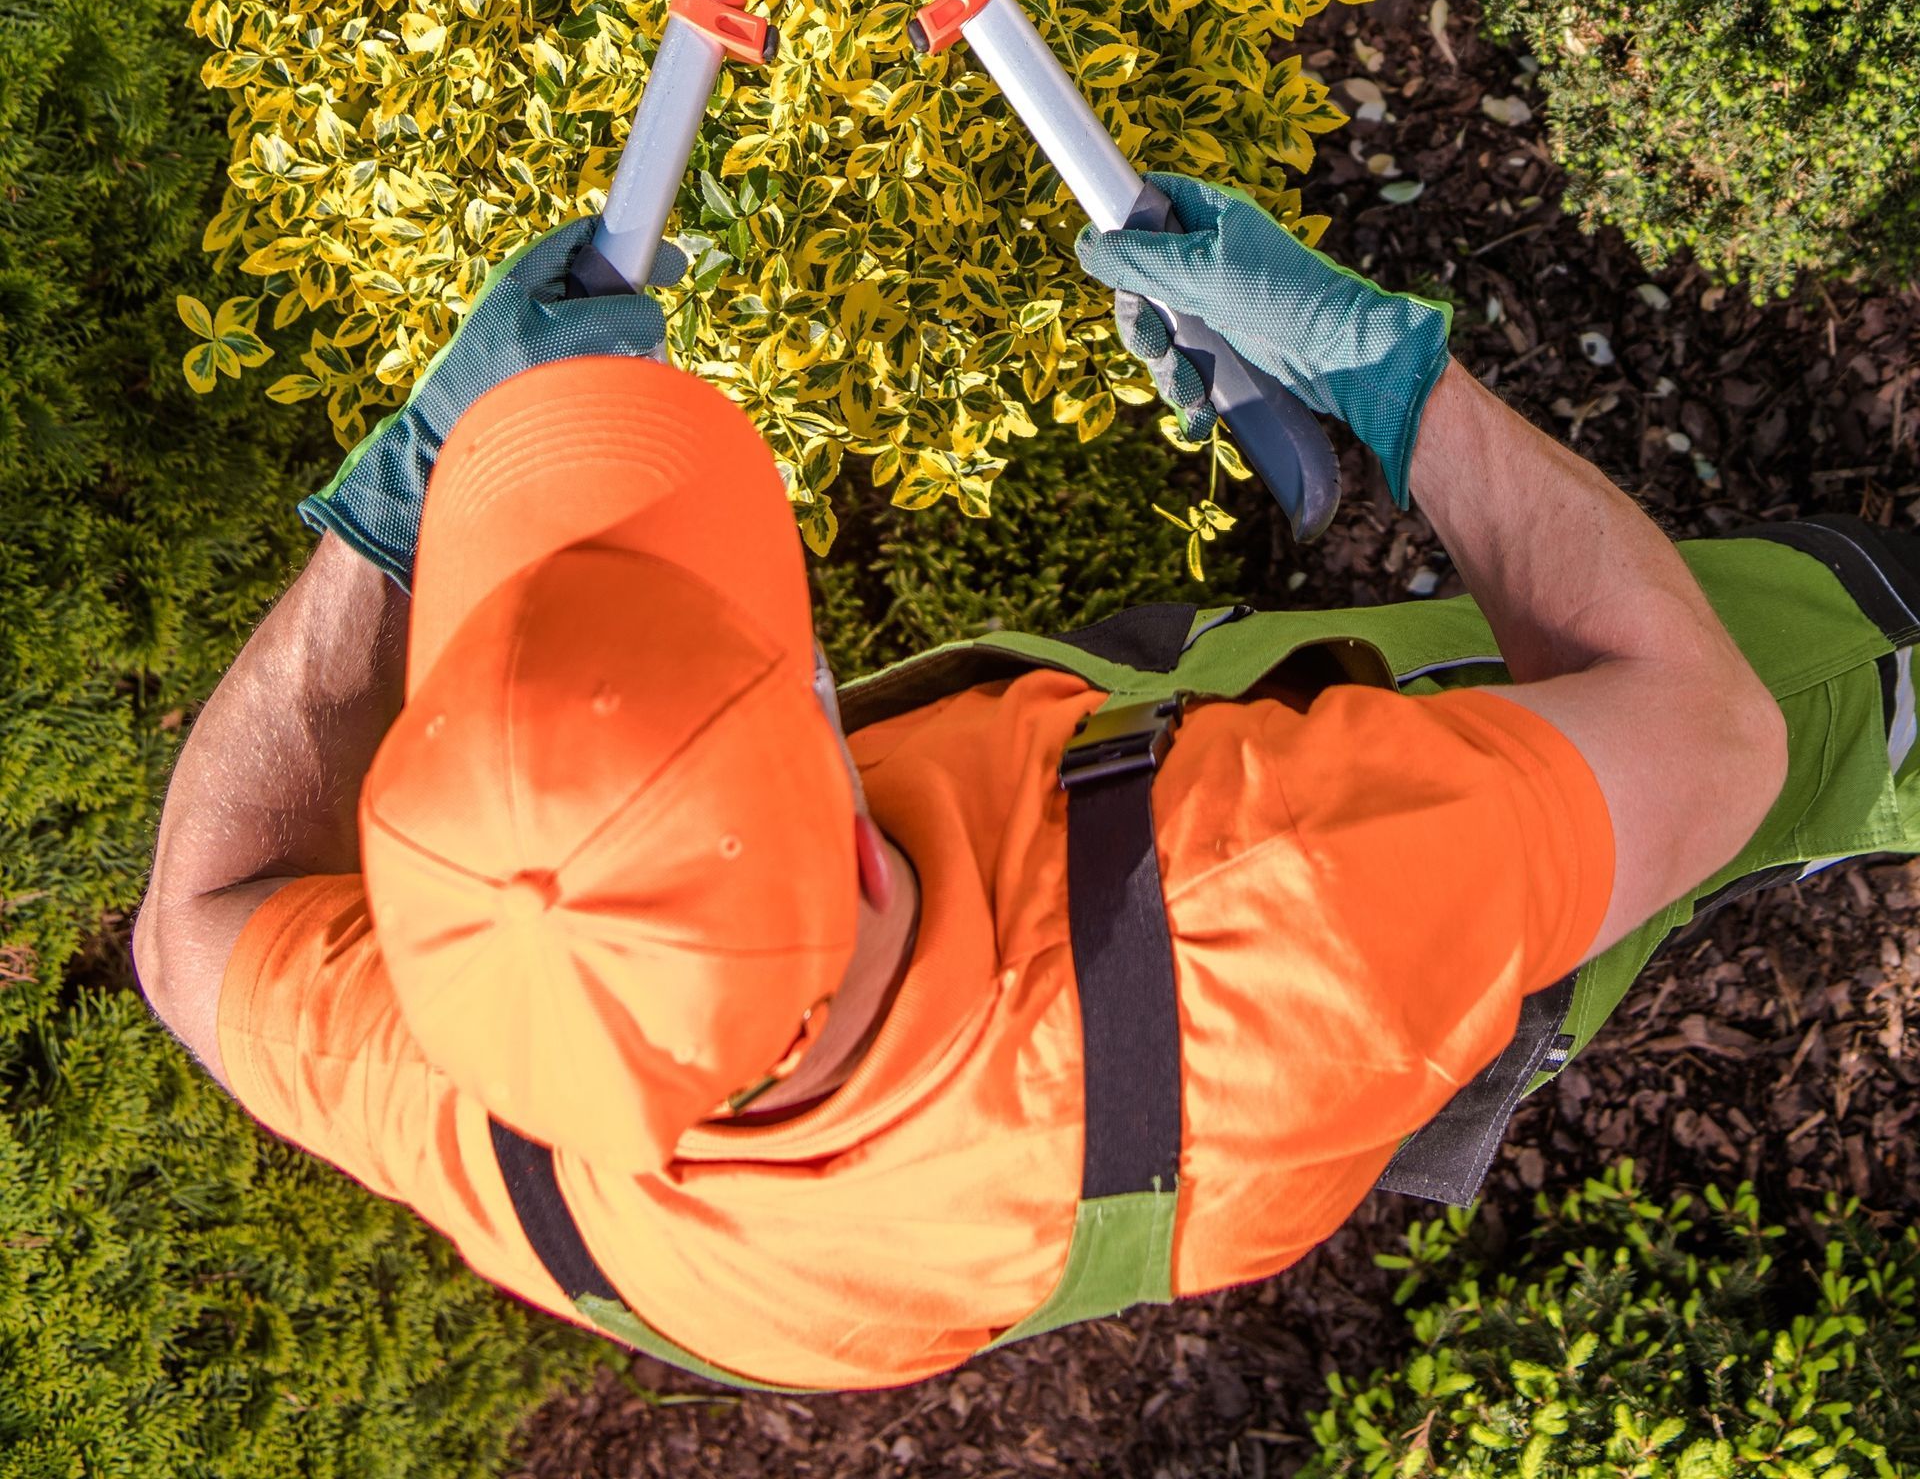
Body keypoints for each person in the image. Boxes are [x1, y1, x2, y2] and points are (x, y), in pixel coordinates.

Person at [134, 180, 1917, 1394]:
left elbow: (190, 929)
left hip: (1138, 1043)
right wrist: (1391, 378)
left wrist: (392, 512)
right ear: (847, 819)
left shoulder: (493, 1087)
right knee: (1825, 673)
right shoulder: (1277, 896)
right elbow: (1709, 731)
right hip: (1354, 950)